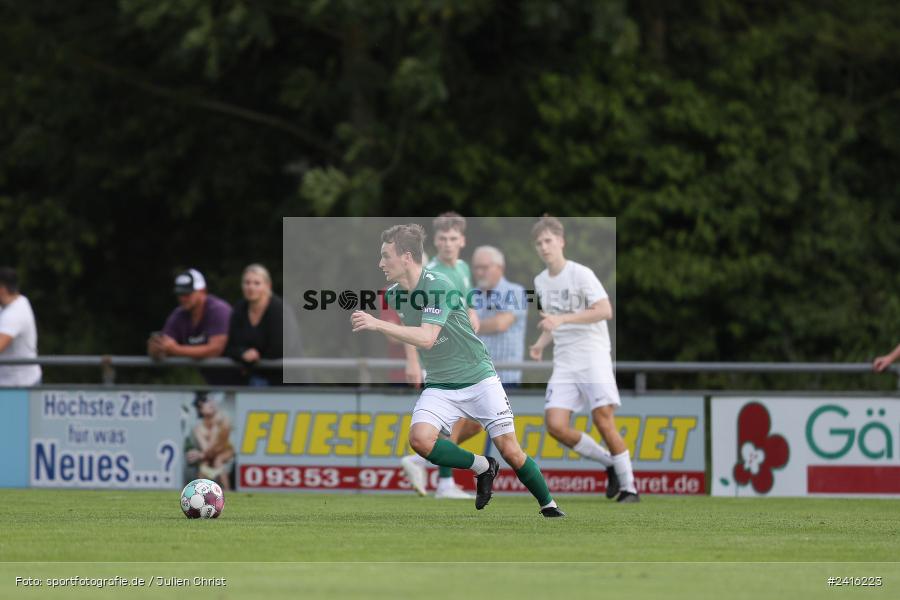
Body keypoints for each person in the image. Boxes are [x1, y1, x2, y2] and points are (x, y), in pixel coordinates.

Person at [351, 223, 564, 517]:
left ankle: (549, 506)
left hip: (478, 377)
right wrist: (401, 346)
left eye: (386, 256)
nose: (380, 263)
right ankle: (483, 467)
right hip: (440, 384)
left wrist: (377, 323)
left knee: (511, 451)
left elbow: (427, 337)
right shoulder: (395, 294)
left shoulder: (439, 285)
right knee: (420, 440)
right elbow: (410, 333)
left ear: (407, 257)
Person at [529, 215, 639, 502]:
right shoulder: (539, 281)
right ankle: (609, 464)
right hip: (564, 361)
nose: (544, 246)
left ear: (561, 241)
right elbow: (553, 321)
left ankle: (630, 488)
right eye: (539, 242)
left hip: (592, 356)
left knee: (603, 420)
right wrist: (540, 344)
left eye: (548, 240)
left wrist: (562, 319)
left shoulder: (581, 273)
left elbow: (604, 310)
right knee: (555, 424)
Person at [401, 213, 482, 499]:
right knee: (454, 420)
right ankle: (445, 483)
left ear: (463, 240)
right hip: (437, 361)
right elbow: (410, 321)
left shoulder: (461, 267)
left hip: (460, 358)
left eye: (453, 238)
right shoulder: (428, 274)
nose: (448, 244)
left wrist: (472, 315)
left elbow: (467, 304)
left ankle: (420, 461)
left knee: (473, 421)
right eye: (443, 239)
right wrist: (411, 361)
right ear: (435, 242)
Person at [147, 268, 234, 385]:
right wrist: (156, 349)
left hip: (239, 380)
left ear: (202, 291)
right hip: (211, 382)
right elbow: (165, 345)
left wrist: (175, 349)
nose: (183, 298)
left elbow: (215, 350)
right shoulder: (179, 314)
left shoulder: (219, 310)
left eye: (187, 293)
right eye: (180, 294)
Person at [224, 264, 301, 386]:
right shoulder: (239, 309)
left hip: (286, 381)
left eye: (256, 283)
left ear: (267, 286)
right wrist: (243, 354)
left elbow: (281, 349)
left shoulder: (279, 309)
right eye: (247, 283)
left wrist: (253, 358)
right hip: (253, 380)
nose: (251, 287)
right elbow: (230, 347)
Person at [471, 246, 527, 387]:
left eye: (484, 267)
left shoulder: (515, 292)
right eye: (476, 268)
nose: (479, 272)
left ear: (500, 268)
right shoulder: (470, 294)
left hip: (505, 378)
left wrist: (472, 325)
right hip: (474, 378)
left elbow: (501, 324)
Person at [184, 391, 235, 490]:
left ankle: (227, 492)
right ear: (200, 410)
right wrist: (202, 455)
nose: (210, 403)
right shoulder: (198, 428)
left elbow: (220, 444)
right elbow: (206, 448)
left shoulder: (223, 418)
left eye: (209, 401)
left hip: (225, 450)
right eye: (205, 403)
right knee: (204, 465)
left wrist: (201, 454)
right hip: (209, 454)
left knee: (218, 460)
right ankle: (199, 493)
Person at [0, 267, 42, 386]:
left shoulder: (14, 314)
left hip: (20, 387)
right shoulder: (20, 301)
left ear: (2, 289)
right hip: (13, 383)